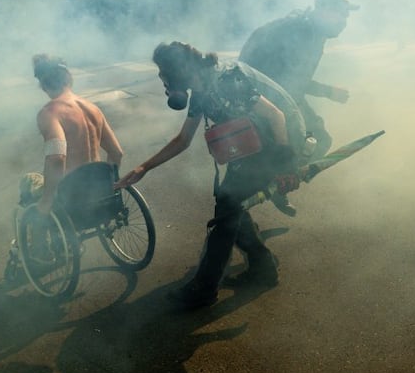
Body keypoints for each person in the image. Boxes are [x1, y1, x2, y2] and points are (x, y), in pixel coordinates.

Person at [116, 42, 307, 310]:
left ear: (177, 71)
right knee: (230, 205)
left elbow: (276, 116)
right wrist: (143, 168)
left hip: (277, 145)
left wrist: (286, 165)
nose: (162, 79)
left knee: (226, 213)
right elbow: (183, 140)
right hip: (254, 148)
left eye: (163, 72)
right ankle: (263, 268)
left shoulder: (228, 79)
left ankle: (204, 289)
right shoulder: (201, 90)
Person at [239, 0, 355, 214]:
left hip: (275, 92)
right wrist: (328, 92)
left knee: (314, 141)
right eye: (340, 13)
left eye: (346, 15)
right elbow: (289, 82)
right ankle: (277, 182)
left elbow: (293, 79)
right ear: (322, 9)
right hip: (262, 96)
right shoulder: (301, 34)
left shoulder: (313, 30)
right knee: (314, 141)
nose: (344, 21)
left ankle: (277, 184)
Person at [30, 53, 125, 216]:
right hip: (98, 191)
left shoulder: (49, 113)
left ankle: (34, 236)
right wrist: (108, 187)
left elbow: (57, 158)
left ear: (43, 84)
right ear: (68, 78)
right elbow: (116, 153)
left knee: (29, 181)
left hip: (71, 195)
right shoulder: (92, 108)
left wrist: (47, 200)